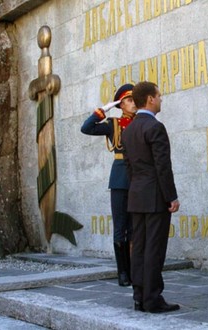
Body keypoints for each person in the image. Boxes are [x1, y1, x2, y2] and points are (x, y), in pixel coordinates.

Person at [121, 81, 180, 313]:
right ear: (150, 99)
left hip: (136, 195)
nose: (161, 99)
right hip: (155, 196)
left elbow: (129, 166)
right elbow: (163, 167)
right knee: (154, 248)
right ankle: (153, 298)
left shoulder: (129, 130)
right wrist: (171, 197)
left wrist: (137, 188)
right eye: (159, 95)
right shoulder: (155, 128)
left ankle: (139, 296)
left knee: (139, 248)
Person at [80, 83, 136, 287]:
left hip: (138, 179)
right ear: (121, 104)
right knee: (121, 227)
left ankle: (133, 269)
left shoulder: (142, 122)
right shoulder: (114, 124)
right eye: (129, 100)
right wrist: (105, 109)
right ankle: (123, 272)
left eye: (134, 99)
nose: (133, 103)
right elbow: (86, 128)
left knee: (134, 227)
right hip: (121, 178)